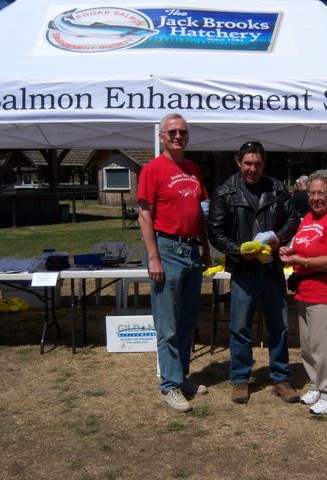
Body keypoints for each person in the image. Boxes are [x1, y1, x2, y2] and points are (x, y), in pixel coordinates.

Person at [208, 141, 301, 405]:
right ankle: (240, 379)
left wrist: (277, 237)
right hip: (243, 270)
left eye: (257, 164)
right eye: (248, 163)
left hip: (272, 269)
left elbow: (293, 219)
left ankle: (281, 378)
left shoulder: (277, 188)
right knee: (240, 328)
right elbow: (215, 231)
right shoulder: (225, 192)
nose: (252, 169)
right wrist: (238, 251)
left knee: (279, 326)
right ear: (239, 162)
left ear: (264, 163)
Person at [137, 113, 210, 413]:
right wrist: (153, 257)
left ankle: (181, 377)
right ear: (162, 137)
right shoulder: (152, 169)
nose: (178, 136)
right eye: (172, 132)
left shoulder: (194, 169)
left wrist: (205, 249)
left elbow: (200, 212)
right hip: (166, 249)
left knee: (187, 322)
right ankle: (169, 386)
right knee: (167, 325)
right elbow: (144, 215)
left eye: (182, 132)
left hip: (191, 250)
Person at [279, 169, 327, 415]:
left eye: (321, 193)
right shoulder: (308, 218)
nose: (316, 198)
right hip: (305, 290)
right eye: (312, 193)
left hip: (326, 293)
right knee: (308, 347)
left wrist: (302, 261)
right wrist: (290, 253)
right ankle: (316, 385)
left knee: (323, 347)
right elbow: (304, 247)